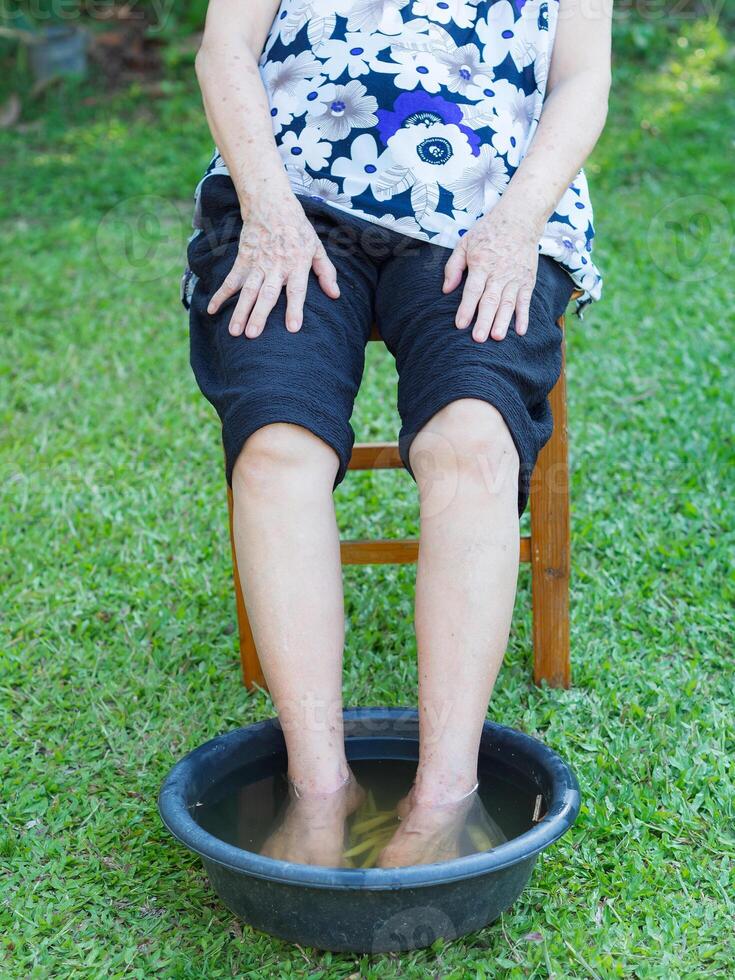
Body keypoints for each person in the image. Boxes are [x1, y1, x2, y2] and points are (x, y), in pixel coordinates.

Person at [183, 0, 611, 867]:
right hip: (288, 197)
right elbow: (224, 45)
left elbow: (581, 78)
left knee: (472, 446)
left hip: (489, 213)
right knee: (276, 450)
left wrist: (516, 224)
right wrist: (266, 210)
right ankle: (317, 785)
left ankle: (446, 796)